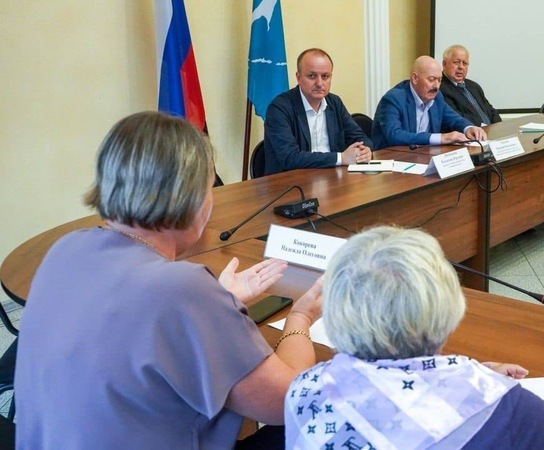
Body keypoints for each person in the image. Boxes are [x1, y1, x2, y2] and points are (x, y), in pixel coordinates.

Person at [15, 111, 323, 450]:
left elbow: (128, 321)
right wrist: (301, 316)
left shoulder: (65, 248)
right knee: (327, 418)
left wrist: (217, 302)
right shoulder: (182, 289)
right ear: (190, 196)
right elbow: (288, 400)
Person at [284, 226, 544, 449]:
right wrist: (487, 394)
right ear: (449, 311)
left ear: (335, 311)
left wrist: (465, 380)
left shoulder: (304, 389)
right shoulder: (506, 406)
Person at [264, 48, 372, 175]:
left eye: (325, 76)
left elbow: (361, 138)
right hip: (291, 181)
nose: (320, 83)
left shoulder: (334, 103)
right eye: (312, 76)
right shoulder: (279, 109)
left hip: (332, 177)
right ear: (298, 77)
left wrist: (365, 151)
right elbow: (290, 158)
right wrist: (341, 158)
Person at [371, 56, 488, 150]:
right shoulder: (393, 99)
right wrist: (442, 138)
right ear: (415, 78)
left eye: (439, 80)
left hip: (422, 156)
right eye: (431, 79)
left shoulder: (437, 97)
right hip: (392, 160)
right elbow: (395, 136)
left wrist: (469, 128)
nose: (436, 86)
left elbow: (455, 119)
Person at [439, 44, 501, 126]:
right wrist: (485, 129)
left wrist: (498, 127)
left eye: (465, 63)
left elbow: (491, 111)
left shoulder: (474, 86)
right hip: (471, 132)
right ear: (444, 64)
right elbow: (457, 119)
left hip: (490, 131)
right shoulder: (440, 88)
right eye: (456, 62)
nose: (461, 67)